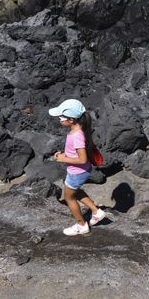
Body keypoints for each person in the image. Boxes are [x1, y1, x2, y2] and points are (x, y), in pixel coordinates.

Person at [49, 98, 106, 236]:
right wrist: (64, 154)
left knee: (69, 197)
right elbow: (76, 153)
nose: (59, 119)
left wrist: (63, 158)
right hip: (80, 171)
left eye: (61, 117)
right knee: (75, 191)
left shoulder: (77, 136)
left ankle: (81, 224)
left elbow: (82, 159)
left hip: (77, 172)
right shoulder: (77, 131)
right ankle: (96, 211)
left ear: (72, 120)